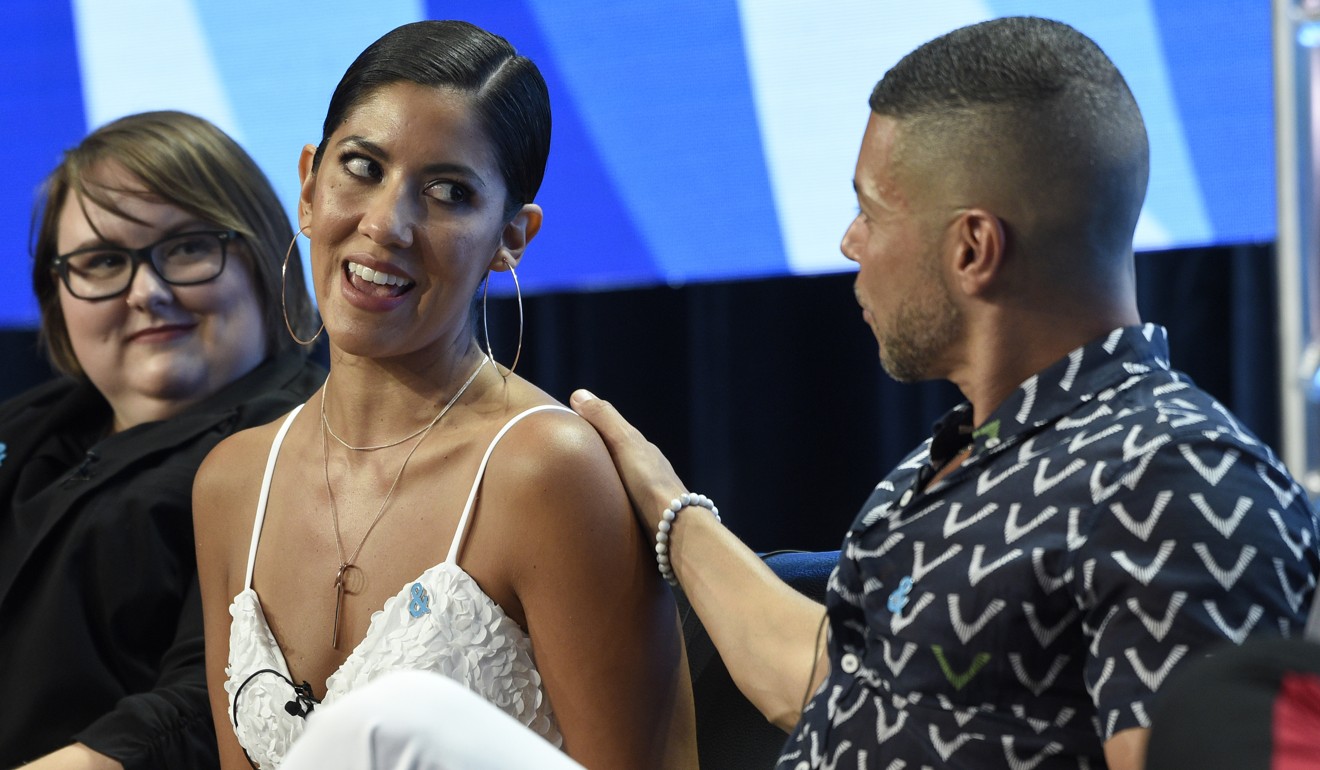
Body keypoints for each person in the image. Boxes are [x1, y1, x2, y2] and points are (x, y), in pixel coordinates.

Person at [568, 16, 1320, 770]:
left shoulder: (1175, 481)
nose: (849, 242)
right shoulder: (961, 456)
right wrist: (667, 506)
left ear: (973, 248)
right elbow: (830, 686)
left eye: (870, 210)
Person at [193, 20, 696, 770]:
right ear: (307, 185)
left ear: (511, 237)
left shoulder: (548, 471)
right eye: (361, 168)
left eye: (448, 192)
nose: (386, 224)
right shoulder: (230, 484)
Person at [0, 111, 324, 769]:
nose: (147, 292)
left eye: (186, 248)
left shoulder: (312, 450)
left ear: (262, 255)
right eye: (101, 261)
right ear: (56, 292)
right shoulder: (27, 428)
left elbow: (220, 703)